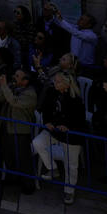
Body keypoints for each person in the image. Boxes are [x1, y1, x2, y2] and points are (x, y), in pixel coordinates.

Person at [31, 71, 86, 204]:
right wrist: (47, 122)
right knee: (37, 143)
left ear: (67, 84)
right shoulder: (52, 93)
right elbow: (45, 109)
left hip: (71, 136)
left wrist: (68, 127)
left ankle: (69, 191)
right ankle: (52, 168)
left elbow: (80, 121)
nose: (55, 83)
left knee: (71, 164)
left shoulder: (76, 100)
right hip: (54, 131)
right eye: (54, 80)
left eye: (58, 81)